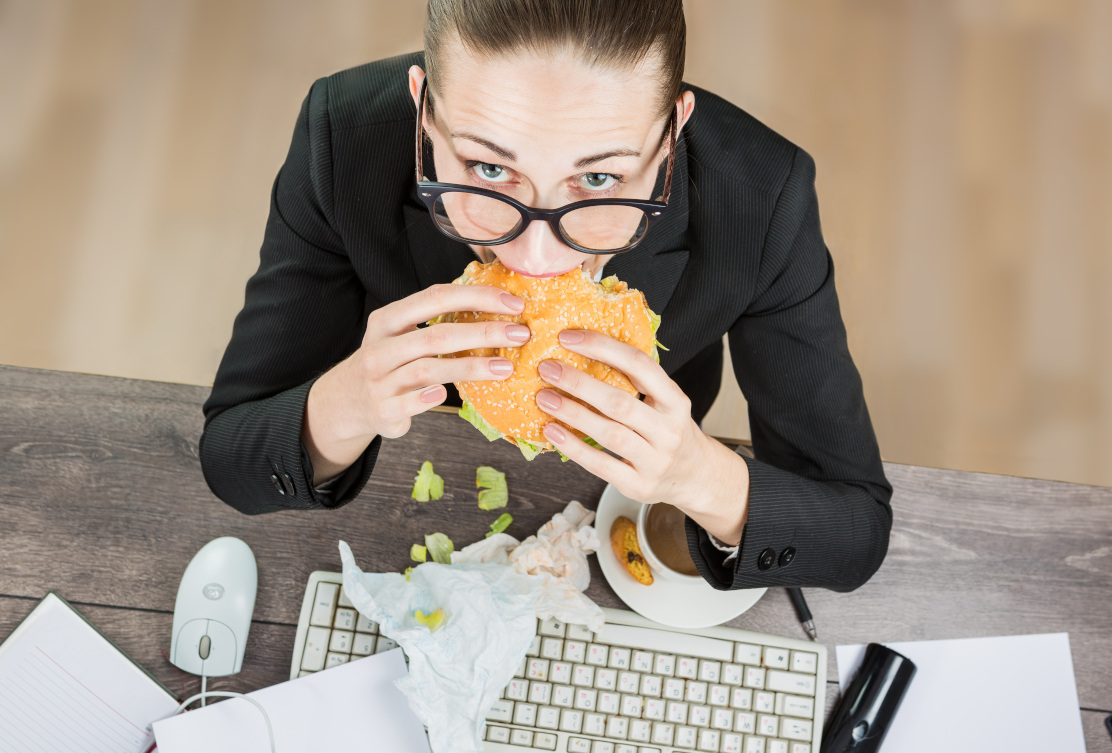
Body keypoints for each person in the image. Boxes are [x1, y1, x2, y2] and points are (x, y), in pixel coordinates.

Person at [200, 0, 892, 592]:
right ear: (424, 114)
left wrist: (698, 475)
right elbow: (231, 457)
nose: (535, 257)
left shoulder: (762, 196)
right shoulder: (342, 136)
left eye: (598, 182)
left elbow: (856, 530)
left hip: (632, 477)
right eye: (489, 168)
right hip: (404, 481)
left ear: (672, 135)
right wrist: (346, 402)